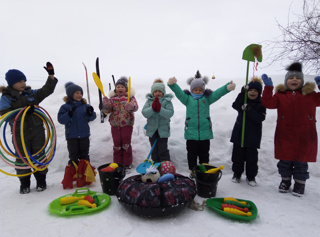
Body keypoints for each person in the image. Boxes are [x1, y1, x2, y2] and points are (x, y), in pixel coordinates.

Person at [261, 62, 320, 196]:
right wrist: (268, 88)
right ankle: (285, 181)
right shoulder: (280, 96)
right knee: (285, 160)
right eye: (291, 78)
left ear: (302, 81)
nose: (294, 80)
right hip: (285, 134)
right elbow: (267, 103)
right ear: (286, 81)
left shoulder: (310, 95)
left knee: (301, 161)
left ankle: (300, 183)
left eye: (298, 78)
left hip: (305, 134)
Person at [0, 62, 58, 194]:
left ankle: (41, 181)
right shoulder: (7, 97)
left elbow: (46, 90)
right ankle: (24, 184)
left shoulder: (30, 93)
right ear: (11, 83)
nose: (23, 83)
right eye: (20, 81)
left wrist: (51, 76)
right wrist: (23, 112)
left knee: (39, 155)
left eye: (24, 80)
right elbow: (5, 114)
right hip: (20, 133)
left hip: (37, 131)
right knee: (22, 158)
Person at [167, 70, 236, 178]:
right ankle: (193, 171)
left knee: (204, 153)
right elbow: (179, 93)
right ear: (191, 89)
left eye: (200, 89)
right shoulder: (187, 99)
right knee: (191, 154)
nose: (198, 91)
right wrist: (173, 85)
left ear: (203, 90)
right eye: (196, 89)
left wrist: (227, 87)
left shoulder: (207, 99)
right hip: (191, 132)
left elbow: (217, 93)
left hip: (205, 133)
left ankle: (204, 170)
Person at [58, 82, 97, 189]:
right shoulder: (65, 107)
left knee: (84, 155)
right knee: (73, 156)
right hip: (72, 136)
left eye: (80, 93)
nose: (79, 95)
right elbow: (61, 120)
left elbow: (92, 118)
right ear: (70, 94)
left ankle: (86, 176)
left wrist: (90, 112)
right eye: (76, 93)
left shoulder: (85, 106)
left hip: (84, 135)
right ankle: (74, 177)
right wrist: (69, 114)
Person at [230, 78, 266, 187]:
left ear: (259, 93)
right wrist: (241, 93)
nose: (252, 92)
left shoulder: (261, 103)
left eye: (255, 91)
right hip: (239, 134)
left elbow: (259, 118)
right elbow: (235, 105)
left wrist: (249, 110)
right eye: (250, 90)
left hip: (252, 137)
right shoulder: (243, 100)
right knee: (237, 157)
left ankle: (251, 177)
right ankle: (237, 174)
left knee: (251, 159)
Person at [102, 77, 138, 172]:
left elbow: (135, 107)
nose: (120, 88)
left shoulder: (130, 98)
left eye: (122, 86)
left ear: (126, 88)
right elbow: (107, 111)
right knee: (117, 144)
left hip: (127, 125)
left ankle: (127, 164)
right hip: (115, 125)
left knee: (126, 144)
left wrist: (130, 106)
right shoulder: (112, 99)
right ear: (115, 89)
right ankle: (117, 164)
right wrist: (105, 105)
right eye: (118, 86)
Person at [142, 79, 174, 163]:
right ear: (152, 93)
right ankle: (155, 164)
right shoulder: (149, 101)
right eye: (155, 91)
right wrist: (153, 108)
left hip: (163, 130)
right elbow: (145, 113)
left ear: (163, 92)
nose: (157, 93)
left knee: (162, 149)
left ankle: (165, 165)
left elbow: (170, 113)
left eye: (160, 91)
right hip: (152, 130)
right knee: (154, 149)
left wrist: (160, 109)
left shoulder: (167, 101)